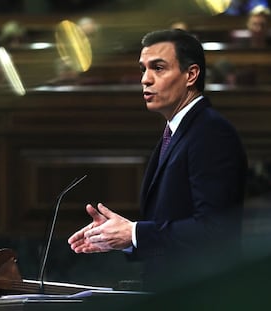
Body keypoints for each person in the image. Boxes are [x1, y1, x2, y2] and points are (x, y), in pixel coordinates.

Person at [68, 29, 248, 292]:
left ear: (191, 75)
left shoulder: (210, 132)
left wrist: (135, 233)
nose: (145, 80)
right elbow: (172, 225)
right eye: (143, 69)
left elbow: (215, 232)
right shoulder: (177, 132)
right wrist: (122, 238)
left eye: (158, 68)